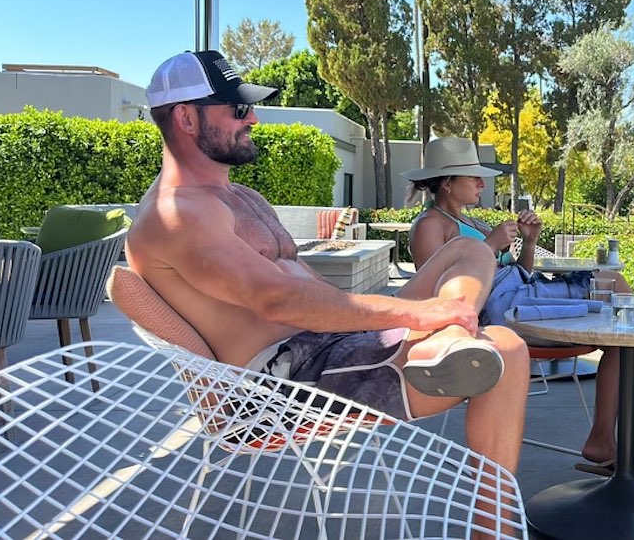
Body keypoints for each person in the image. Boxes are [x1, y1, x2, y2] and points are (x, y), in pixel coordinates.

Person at [125, 51, 530, 494]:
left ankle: (452, 341)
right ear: (185, 117)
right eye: (239, 108)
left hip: (329, 346)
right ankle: (496, 530)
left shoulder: (240, 197)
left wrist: (411, 314)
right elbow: (279, 299)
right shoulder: (175, 214)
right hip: (284, 383)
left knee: (470, 254)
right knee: (506, 349)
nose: (254, 118)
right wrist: (415, 316)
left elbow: (309, 285)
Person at [404, 137, 634, 477]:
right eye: (473, 177)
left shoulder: (473, 220)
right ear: (448, 182)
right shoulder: (430, 225)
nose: (483, 183)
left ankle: (603, 440)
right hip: (497, 312)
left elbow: (521, 273)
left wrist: (529, 240)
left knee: (619, 331)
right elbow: (434, 294)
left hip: (518, 295)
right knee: (611, 284)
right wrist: (490, 246)